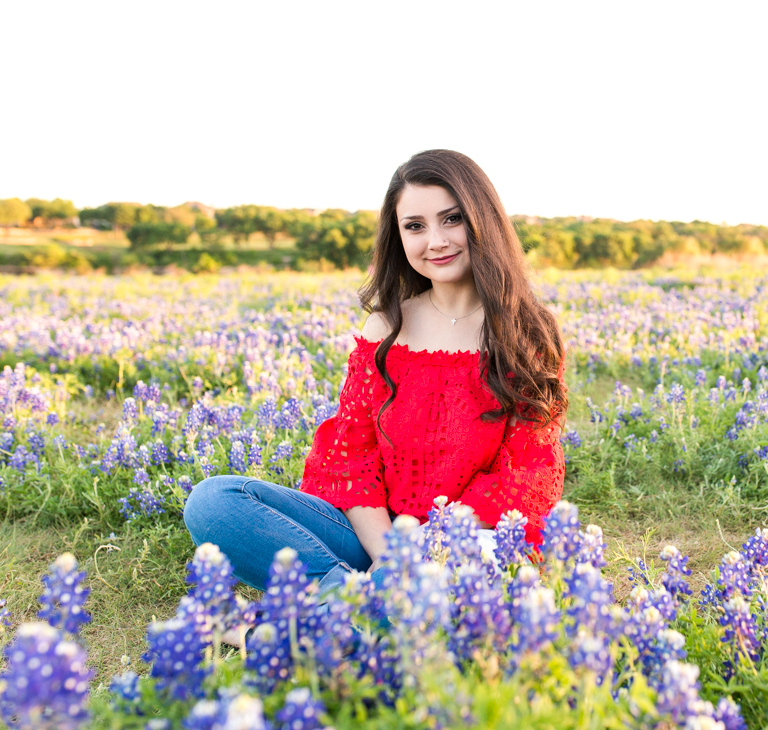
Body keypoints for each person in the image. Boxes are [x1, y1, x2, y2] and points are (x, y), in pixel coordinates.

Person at [183, 149, 568, 642]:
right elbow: (351, 459)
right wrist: (391, 561)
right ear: (398, 236)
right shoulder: (385, 328)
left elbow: (527, 472)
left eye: (452, 219)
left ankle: (291, 629)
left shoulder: (524, 333)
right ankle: (360, 611)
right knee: (214, 502)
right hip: (373, 537)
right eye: (415, 226)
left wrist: (427, 551)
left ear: (482, 220)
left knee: (450, 588)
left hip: (472, 543)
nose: (436, 240)